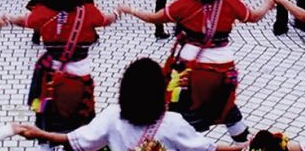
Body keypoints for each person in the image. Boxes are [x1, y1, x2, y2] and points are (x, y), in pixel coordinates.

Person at [119, 0, 272, 141]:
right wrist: (268, 4)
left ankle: (186, 142)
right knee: (226, 106)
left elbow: (153, 18)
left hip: (189, 68)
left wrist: (131, 10)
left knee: (182, 109)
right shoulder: (231, 4)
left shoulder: (184, 5)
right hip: (222, 68)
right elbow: (254, 16)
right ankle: (243, 141)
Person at [0, 0, 119, 141]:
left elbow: (25, 21)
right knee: (81, 115)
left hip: (50, 74)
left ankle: (46, 140)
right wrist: (119, 12)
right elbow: (106, 20)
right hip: (80, 74)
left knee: (46, 111)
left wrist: (6, 19)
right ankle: (78, 142)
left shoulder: (42, 12)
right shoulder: (88, 12)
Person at [17, 57, 250, 151]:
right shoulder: (173, 123)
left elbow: (75, 139)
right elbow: (205, 149)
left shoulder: (112, 117)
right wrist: (243, 147)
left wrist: (40, 133)